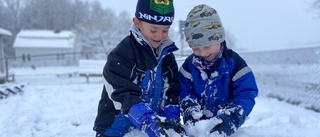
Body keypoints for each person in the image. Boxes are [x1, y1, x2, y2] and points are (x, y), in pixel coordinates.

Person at [93, 0, 181, 137]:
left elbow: (171, 90)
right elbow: (121, 90)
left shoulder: (167, 56)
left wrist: (170, 120)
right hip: (115, 130)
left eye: (165, 30)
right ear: (137, 23)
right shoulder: (124, 52)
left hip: (150, 130)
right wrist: (145, 119)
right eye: (153, 30)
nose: (160, 36)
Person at [179, 4, 259, 136]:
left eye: (207, 46)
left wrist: (232, 117)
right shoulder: (189, 66)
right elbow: (184, 90)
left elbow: (246, 92)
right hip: (197, 129)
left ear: (219, 38)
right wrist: (189, 108)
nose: (202, 53)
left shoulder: (235, 64)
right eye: (196, 48)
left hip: (225, 127)